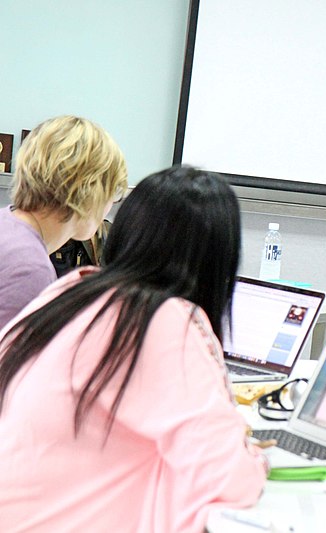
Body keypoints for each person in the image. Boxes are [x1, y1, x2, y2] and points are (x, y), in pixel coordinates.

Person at [0, 166, 269, 532]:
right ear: (216, 260)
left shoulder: (71, 291)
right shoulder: (161, 320)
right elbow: (229, 479)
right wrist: (252, 457)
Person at [0, 115, 127, 329]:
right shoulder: (30, 269)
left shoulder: (7, 223)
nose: (109, 205)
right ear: (89, 190)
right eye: (111, 192)